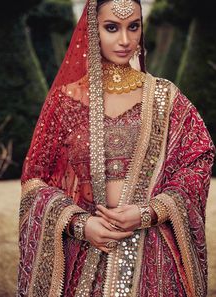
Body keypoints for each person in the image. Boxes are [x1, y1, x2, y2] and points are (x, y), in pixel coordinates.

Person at [17, 0, 215, 296]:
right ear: (92, 31)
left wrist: (148, 211)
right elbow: (35, 183)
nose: (125, 40)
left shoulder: (166, 98)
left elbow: (198, 160)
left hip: (154, 255)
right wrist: (81, 224)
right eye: (112, 28)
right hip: (85, 251)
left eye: (133, 26)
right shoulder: (66, 101)